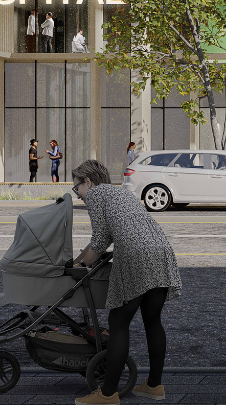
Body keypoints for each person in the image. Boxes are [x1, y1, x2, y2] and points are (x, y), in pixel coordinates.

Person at [70, 159, 181, 405]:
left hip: (135, 255)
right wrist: (77, 261)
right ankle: (154, 386)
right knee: (152, 321)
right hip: (161, 252)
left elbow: (99, 242)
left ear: (88, 181)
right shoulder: (120, 193)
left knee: (118, 322)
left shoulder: (97, 194)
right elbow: (105, 236)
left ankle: (108, 394)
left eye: (76, 187)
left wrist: (79, 266)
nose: (77, 195)